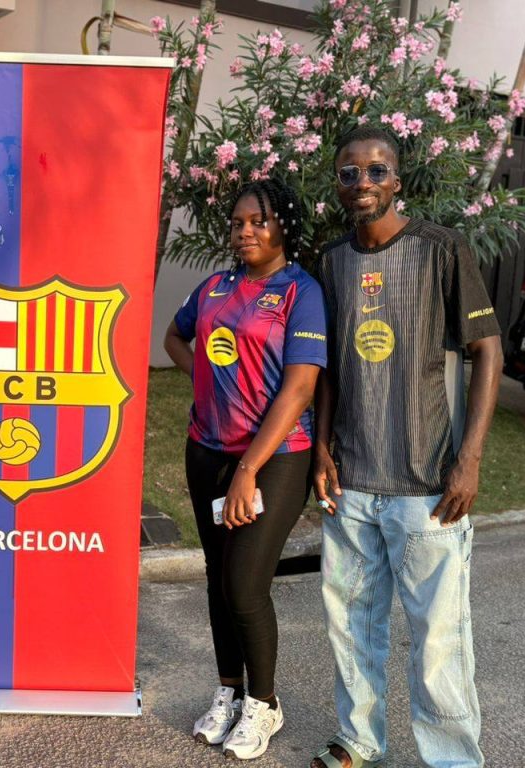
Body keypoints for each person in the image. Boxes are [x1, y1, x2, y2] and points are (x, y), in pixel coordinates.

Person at [310, 126, 502, 768]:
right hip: (352, 484)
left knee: (438, 641)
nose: (361, 183)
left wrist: (469, 460)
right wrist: (321, 449)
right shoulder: (332, 262)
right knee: (350, 628)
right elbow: (328, 368)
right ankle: (358, 740)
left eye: (375, 171)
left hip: (428, 488)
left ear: (397, 180)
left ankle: (453, 759)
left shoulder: (442, 249)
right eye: (349, 173)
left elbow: (487, 351)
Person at [164, 178, 327, 760]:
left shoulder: (300, 292)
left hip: (275, 458)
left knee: (245, 583)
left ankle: (264, 703)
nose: (245, 231)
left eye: (259, 221)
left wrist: (248, 468)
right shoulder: (215, 287)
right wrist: (206, 380)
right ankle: (230, 691)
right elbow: (175, 337)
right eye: (237, 223)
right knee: (218, 577)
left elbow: (301, 387)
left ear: (285, 226)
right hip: (207, 449)